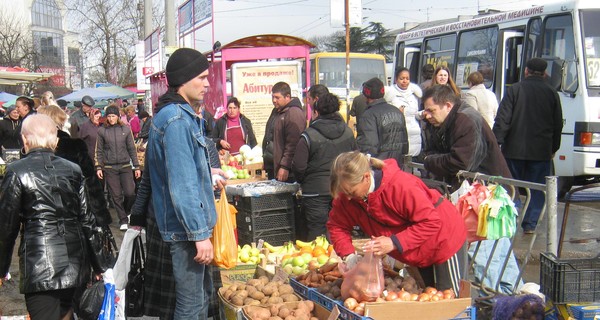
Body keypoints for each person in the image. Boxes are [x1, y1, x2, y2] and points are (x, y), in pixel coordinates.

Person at [0, 114, 105, 320]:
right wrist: (98, 263)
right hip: (75, 261)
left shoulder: (16, 171)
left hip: (39, 263)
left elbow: (6, 226)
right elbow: (87, 221)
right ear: (55, 140)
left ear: (25, 139)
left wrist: (1, 268)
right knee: (66, 314)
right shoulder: (73, 170)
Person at [327, 151, 467, 294]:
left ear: (366, 177)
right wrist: (349, 255)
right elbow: (337, 225)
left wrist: (393, 242)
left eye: (352, 192)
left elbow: (430, 221)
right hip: (415, 249)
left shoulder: (400, 185)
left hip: (444, 238)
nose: (348, 198)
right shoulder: (347, 196)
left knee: (449, 298)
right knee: (427, 296)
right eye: (344, 193)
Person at [146, 47, 217, 319]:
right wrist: (200, 234)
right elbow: (182, 184)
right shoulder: (176, 120)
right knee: (191, 306)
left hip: (186, 228)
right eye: (201, 77)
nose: (207, 83)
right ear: (184, 80)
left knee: (199, 302)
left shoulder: (180, 115)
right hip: (186, 232)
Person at [493, 57, 563, 233]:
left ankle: (512, 218)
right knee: (537, 189)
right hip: (540, 151)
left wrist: (496, 143)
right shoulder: (551, 93)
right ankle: (530, 224)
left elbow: (503, 119)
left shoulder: (515, 90)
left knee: (511, 186)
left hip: (514, 150)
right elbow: (557, 124)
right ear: (545, 73)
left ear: (526, 71)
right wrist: (553, 148)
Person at [292, 93, 356, 240]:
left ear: (316, 111)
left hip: (315, 190)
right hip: (342, 189)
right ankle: (342, 260)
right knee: (341, 229)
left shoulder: (308, 135)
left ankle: (321, 261)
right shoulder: (348, 132)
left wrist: (303, 181)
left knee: (317, 233)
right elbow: (354, 160)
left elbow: (299, 166)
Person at [421, 85, 511, 189]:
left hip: (489, 191)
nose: (427, 116)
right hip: (474, 187)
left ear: (448, 106)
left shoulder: (466, 120)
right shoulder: (445, 121)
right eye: (425, 111)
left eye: (431, 110)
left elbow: (460, 161)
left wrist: (429, 161)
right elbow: (435, 150)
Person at [95, 105, 141, 231]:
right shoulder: (102, 131)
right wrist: (99, 167)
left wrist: (136, 166)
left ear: (118, 116)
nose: (111, 119)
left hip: (125, 165)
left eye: (113, 116)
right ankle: (123, 219)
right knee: (115, 195)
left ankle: (126, 211)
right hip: (110, 167)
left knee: (130, 193)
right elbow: (98, 150)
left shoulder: (126, 129)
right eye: (109, 116)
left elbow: (132, 149)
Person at [356, 77, 408, 166]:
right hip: (397, 165)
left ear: (366, 95)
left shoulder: (368, 115)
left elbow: (368, 146)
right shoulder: (397, 112)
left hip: (379, 167)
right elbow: (405, 144)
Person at [262, 81, 306, 181]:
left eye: (277, 97)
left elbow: (293, 144)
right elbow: (270, 136)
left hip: (286, 171)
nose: (274, 100)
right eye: (272, 97)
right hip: (274, 166)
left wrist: (285, 166)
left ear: (287, 97)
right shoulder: (277, 111)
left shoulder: (293, 113)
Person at [385, 67, 423, 157]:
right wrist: (397, 113)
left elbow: (415, 114)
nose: (405, 81)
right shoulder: (390, 94)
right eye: (402, 79)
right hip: (398, 133)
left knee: (411, 165)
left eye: (407, 78)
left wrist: (422, 114)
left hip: (414, 134)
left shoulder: (413, 95)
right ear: (396, 79)